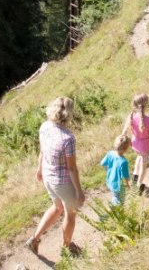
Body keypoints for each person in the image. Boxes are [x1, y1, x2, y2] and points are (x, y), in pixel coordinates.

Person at [26, 96, 85, 258]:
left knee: (57, 207)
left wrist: (39, 169)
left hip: (48, 177)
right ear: (69, 113)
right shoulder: (68, 138)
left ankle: (34, 239)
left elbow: (42, 151)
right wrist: (79, 191)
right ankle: (66, 248)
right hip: (63, 182)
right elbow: (71, 168)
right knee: (70, 214)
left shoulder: (45, 126)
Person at [120, 93, 149, 193]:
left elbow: (124, 132)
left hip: (134, 144)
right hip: (145, 146)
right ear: (146, 105)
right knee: (144, 165)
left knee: (139, 157)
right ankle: (139, 183)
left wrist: (122, 140)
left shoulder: (131, 117)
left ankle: (135, 175)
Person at [100, 134, 132, 206]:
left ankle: (110, 211)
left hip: (110, 181)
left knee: (115, 197)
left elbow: (102, 163)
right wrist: (128, 186)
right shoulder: (124, 162)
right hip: (119, 186)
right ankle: (105, 215)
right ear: (125, 149)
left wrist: (108, 170)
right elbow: (125, 178)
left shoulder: (110, 153)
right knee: (119, 202)